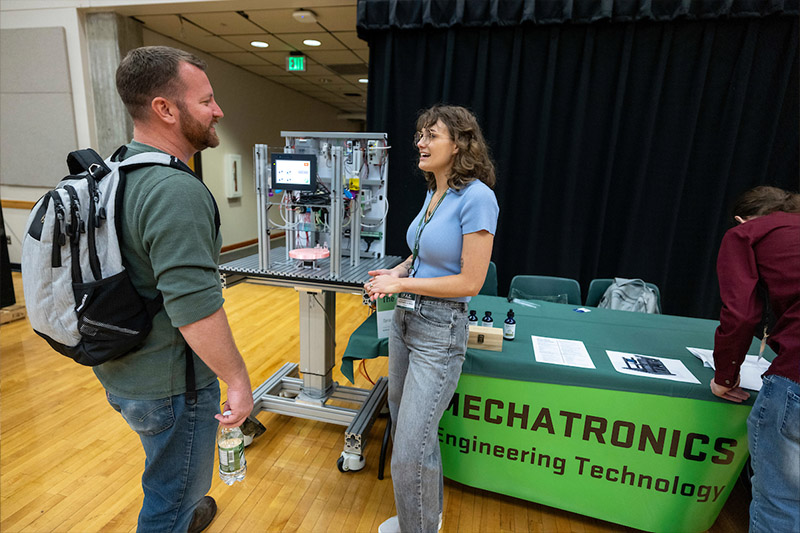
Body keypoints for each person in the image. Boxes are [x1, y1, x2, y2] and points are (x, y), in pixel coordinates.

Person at [98, 46, 253, 532]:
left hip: (123, 371)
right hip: (172, 387)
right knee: (168, 501)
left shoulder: (115, 171)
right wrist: (238, 381)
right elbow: (194, 308)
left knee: (167, 474)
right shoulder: (174, 190)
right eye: (206, 100)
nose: (218, 110)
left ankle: (185, 506)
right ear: (165, 109)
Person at [366, 105, 499, 533]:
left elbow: (470, 281)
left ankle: (418, 528)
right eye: (419, 134)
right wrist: (398, 271)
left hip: (439, 330)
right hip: (407, 324)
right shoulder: (435, 192)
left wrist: (401, 287)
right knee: (413, 431)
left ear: (459, 143)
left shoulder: (479, 196)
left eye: (431, 136)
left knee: (409, 448)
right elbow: (423, 253)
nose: (419, 143)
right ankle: (424, 521)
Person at [710, 185, 800, 533]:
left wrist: (726, 376)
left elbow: (741, 315)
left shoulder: (745, 234)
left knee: (781, 503)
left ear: (739, 220)